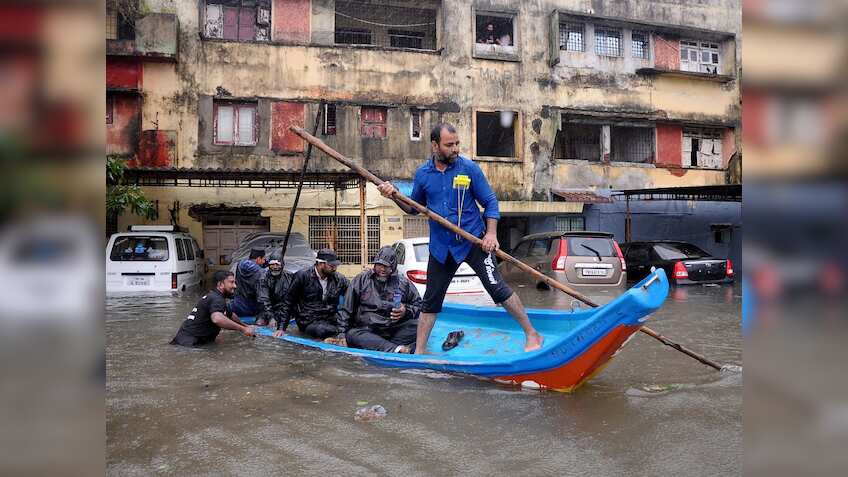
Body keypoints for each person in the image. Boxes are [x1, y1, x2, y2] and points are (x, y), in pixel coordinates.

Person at [377, 122, 544, 354]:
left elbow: (490, 202)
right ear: (435, 146)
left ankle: (533, 334)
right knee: (431, 301)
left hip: (473, 241)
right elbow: (413, 208)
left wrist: (492, 234)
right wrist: (394, 195)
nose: (455, 149)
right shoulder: (423, 174)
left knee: (498, 289)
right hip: (441, 249)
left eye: (457, 144)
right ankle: (420, 352)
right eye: (449, 145)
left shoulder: (468, 169)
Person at [339, 246, 421, 353]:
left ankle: (385, 346)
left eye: (386, 266)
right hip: (367, 330)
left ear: (393, 266)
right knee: (352, 334)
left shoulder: (403, 283)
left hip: (392, 330)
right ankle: (394, 348)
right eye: (379, 265)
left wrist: (405, 310)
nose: (382, 269)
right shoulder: (362, 279)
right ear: (375, 264)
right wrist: (341, 334)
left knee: (419, 326)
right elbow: (346, 309)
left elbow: (419, 306)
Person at [272, 249, 349, 342]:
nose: (334, 268)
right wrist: (281, 328)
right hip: (308, 321)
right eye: (331, 266)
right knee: (322, 330)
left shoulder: (338, 278)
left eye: (336, 266)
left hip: (330, 319)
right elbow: (289, 302)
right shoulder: (302, 276)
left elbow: (352, 294)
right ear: (320, 264)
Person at [170, 270, 256, 347]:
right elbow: (217, 319)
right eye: (231, 282)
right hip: (188, 346)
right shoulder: (217, 299)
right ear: (220, 284)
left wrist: (245, 326)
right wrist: (243, 329)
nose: (235, 286)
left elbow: (230, 314)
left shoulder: (214, 297)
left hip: (183, 341)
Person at [256, 251, 293, 327]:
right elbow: (263, 300)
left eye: (277, 265)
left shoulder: (290, 276)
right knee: (260, 322)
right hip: (267, 309)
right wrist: (271, 317)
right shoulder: (263, 278)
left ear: (282, 265)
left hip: (284, 310)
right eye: (272, 265)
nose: (275, 267)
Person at [229, 248, 266, 318]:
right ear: (258, 258)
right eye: (263, 259)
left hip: (237, 303)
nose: (264, 262)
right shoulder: (258, 270)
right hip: (250, 307)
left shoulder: (240, 264)